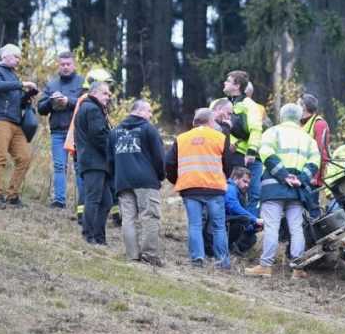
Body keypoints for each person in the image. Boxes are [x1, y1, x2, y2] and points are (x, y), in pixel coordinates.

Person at [244, 103, 320, 279]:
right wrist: (299, 180)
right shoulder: (308, 138)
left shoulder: (272, 132)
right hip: (297, 190)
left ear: (281, 116)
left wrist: (283, 175)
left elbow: (266, 154)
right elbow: (315, 162)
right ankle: (298, 268)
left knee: (272, 226)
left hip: (273, 187)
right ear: (300, 118)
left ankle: (265, 266)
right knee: (296, 228)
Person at [165, 108, 233, 269]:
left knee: (194, 225)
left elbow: (168, 163)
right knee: (218, 227)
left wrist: (178, 180)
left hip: (190, 188)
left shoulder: (181, 139)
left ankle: (197, 259)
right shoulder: (220, 137)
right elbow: (228, 164)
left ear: (195, 122)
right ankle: (222, 262)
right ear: (210, 121)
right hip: (214, 188)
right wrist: (223, 177)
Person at [109, 100, 165, 266]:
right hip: (146, 181)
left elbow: (110, 160)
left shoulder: (115, 132)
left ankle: (132, 255)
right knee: (150, 216)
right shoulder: (148, 129)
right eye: (149, 112)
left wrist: (117, 177)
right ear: (141, 111)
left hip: (122, 181)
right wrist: (160, 176)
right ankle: (149, 255)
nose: (150, 115)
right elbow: (159, 157)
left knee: (128, 218)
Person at [0, 43, 39, 209]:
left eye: (19, 57)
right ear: (5, 56)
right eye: (16, 57)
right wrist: (21, 85)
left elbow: (16, 99)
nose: (18, 60)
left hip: (16, 123)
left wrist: (28, 95)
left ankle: (12, 196)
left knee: (25, 158)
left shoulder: (14, 76)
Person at [64, 67, 115, 223]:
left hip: (85, 153)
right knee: (91, 195)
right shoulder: (90, 105)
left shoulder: (90, 103)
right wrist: (112, 150)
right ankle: (88, 230)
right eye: (106, 89)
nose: (109, 94)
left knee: (97, 196)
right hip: (90, 156)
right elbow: (98, 135)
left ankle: (92, 230)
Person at [36, 51, 85, 209]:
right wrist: (51, 102)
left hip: (77, 132)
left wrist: (68, 101)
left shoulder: (82, 83)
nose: (65, 67)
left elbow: (87, 104)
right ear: (59, 65)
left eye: (68, 64)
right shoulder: (52, 84)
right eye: (62, 64)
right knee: (59, 166)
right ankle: (59, 201)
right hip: (57, 131)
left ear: (74, 65)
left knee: (79, 168)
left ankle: (82, 203)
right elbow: (41, 109)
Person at [74, 81, 113, 245]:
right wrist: (112, 152)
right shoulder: (92, 109)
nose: (108, 97)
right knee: (93, 199)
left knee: (106, 201)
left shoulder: (87, 108)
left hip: (93, 162)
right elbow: (99, 136)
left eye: (109, 94)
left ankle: (99, 236)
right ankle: (89, 235)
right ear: (95, 93)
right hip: (94, 162)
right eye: (105, 93)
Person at [223, 70, 265, 214]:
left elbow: (256, 129)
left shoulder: (250, 105)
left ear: (237, 85)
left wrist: (251, 151)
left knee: (253, 194)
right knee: (230, 192)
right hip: (230, 155)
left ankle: (249, 228)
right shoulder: (221, 103)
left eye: (228, 81)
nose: (224, 83)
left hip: (247, 157)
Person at [225, 166, 263, 255]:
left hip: (229, 223)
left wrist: (254, 227)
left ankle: (233, 251)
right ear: (235, 178)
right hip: (223, 224)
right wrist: (255, 219)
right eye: (244, 181)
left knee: (252, 237)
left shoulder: (239, 192)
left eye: (248, 183)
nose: (247, 185)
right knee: (243, 219)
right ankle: (228, 247)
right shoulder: (230, 188)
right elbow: (233, 207)